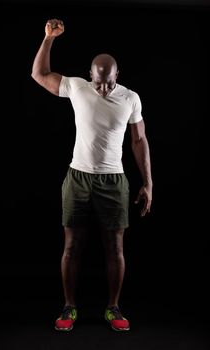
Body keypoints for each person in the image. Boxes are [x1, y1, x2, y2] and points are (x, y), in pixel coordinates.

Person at [31, 18, 153, 332]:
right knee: (71, 246)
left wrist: (148, 183)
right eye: (98, 82)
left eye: (108, 83)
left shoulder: (130, 98)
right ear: (90, 76)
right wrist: (48, 39)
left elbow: (138, 140)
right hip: (78, 177)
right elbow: (39, 74)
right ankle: (69, 307)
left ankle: (113, 308)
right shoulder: (76, 87)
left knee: (115, 247)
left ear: (117, 77)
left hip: (114, 180)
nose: (102, 89)